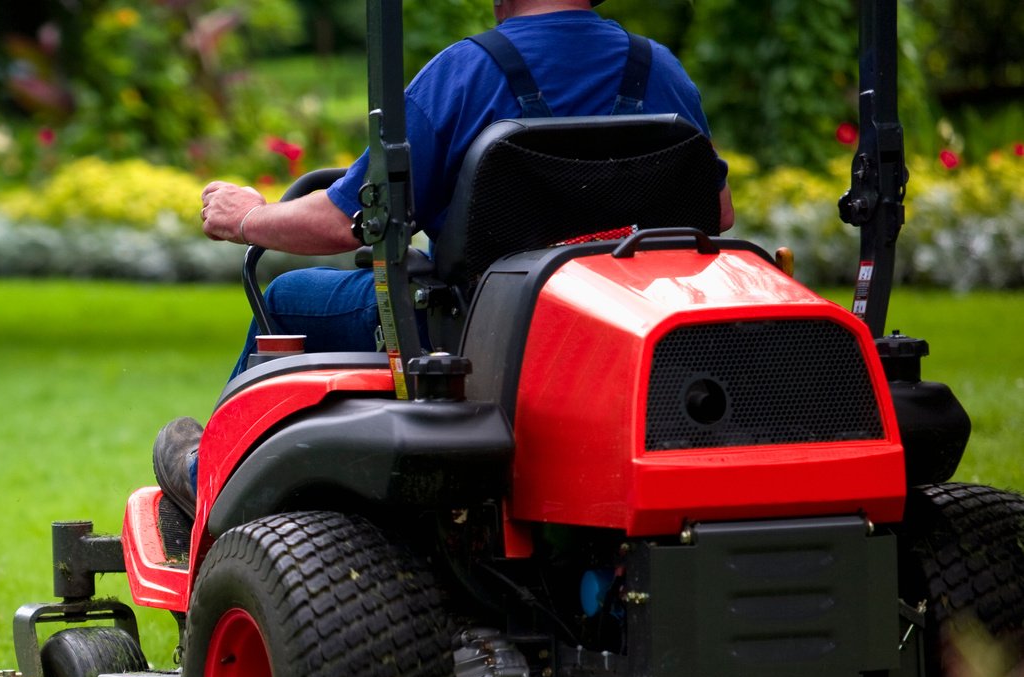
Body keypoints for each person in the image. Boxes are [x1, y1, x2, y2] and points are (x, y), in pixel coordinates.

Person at [153, 0, 733, 521]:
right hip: (625, 328)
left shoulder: (466, 73)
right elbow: (719, 210)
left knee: (286, 296)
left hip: (471, 333)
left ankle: (210, 478)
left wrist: (248, 218)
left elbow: (344, 218)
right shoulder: (659, 68)